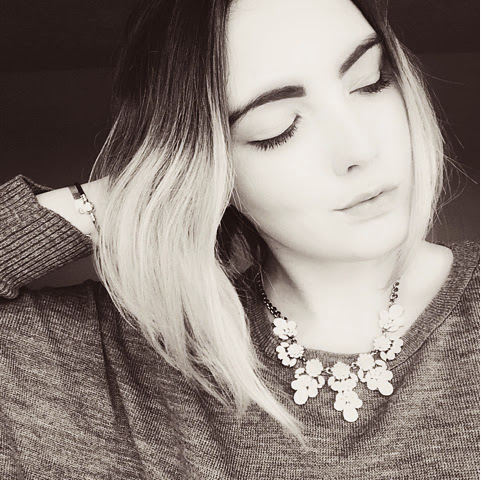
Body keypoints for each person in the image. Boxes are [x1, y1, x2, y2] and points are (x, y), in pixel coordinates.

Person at [0, 0, 479, 478]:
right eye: (278, 128)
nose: (360, 148)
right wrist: (127, 195)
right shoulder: (112, 361)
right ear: (204, 164)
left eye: (370, 82)